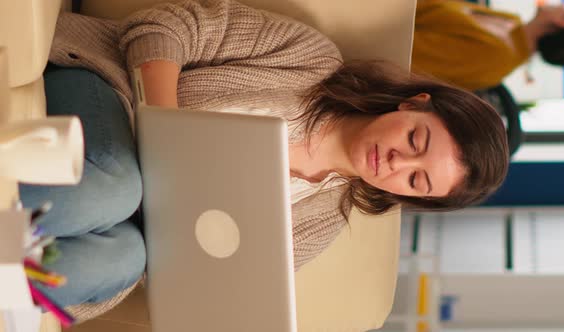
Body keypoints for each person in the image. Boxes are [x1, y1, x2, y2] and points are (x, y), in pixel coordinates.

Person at [19, 0, 509, 308]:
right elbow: (167, 27)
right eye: (416, 141)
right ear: (414, 102)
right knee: (117, 189)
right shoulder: (312, 60)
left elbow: (188, 273)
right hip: (108, 87)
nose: (399, 163)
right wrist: (161, 129)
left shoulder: (320, 223)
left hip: (126, 227)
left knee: (122, 262)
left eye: (416, 180)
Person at [412, 0, 564, 91]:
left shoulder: (497, 59)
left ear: (562, 22)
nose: (562, 5)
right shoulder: (512, 21)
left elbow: (410, 55)